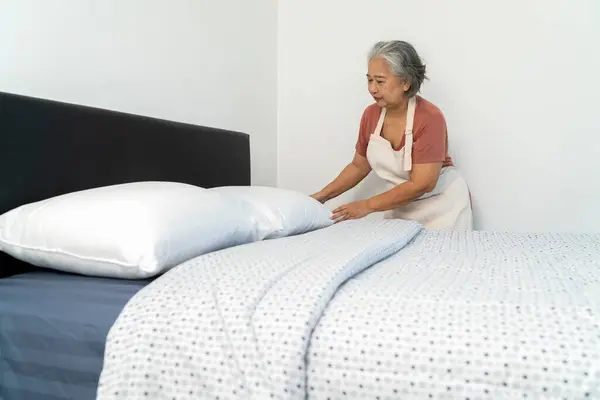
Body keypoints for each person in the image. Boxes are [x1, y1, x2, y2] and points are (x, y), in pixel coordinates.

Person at [311, 40, 473, 230]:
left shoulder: (430, 118)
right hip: (401, 207)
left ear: (405, 82)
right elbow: (358, 165)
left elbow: (423, 184)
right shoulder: (371, 115)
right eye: (369, 80)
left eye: (380, 81)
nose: (372, 88)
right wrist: (321, 197)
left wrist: (365, 206)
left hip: (443, 208)